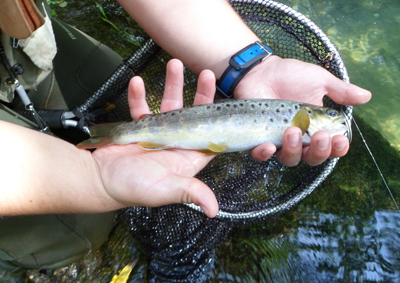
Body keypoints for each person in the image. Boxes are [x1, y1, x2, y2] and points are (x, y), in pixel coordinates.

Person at [0, 0, 371, 271]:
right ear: (311, 118)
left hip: (13, 31)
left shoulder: (300, 120)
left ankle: (94, 133)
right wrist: (93, 181)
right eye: (328, 116)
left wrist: (250, 65)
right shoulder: (300, 120)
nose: (335, 120)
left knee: (108, 75)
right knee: (79, 231)